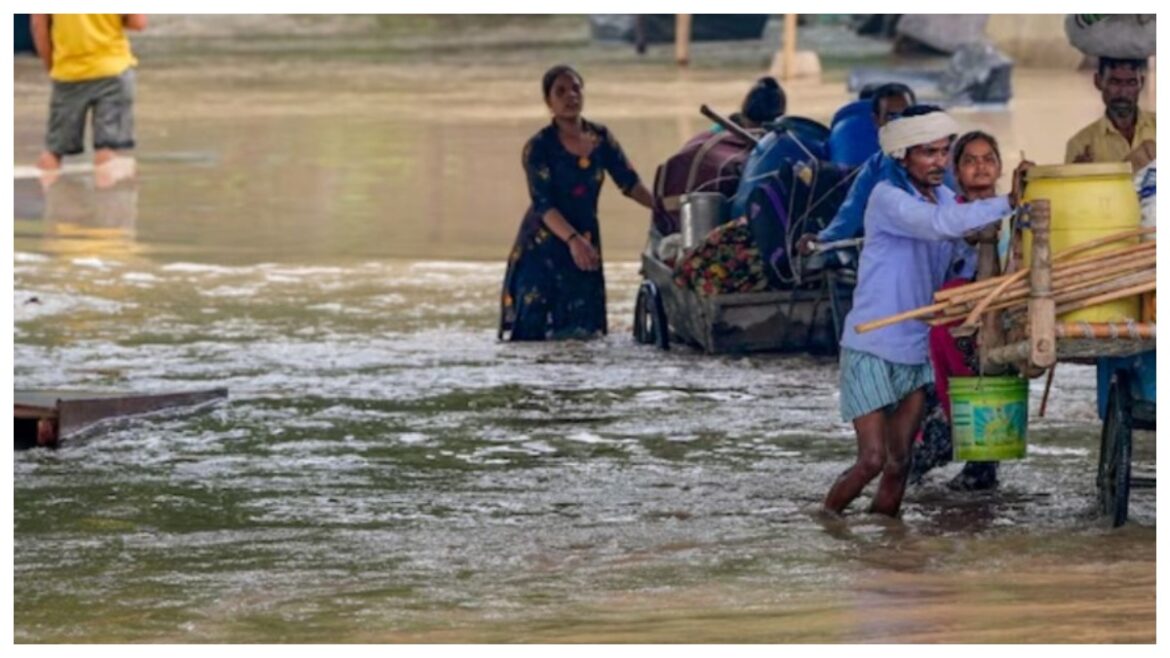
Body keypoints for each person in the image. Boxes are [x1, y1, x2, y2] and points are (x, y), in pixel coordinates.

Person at [823, 106, 1030, 517]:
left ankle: (887, 545)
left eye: (943, 151)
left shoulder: (947, 202)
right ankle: (827, 522)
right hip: (871, 345)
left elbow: (966, 259)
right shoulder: (888, 199)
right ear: (903, 155)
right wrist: (1007, 200)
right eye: (928, 153)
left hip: (915, 350)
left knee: (901, 464)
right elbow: (939, 224)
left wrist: (1007, 218)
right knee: (872, 460)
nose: (939, 162)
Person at [500, 65, 654, 341]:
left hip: (586, 240)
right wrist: (573, 240)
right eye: (561, 91)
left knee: (584, 332)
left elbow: (629, 184)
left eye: (576, 89)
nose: (571, 96)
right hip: (543, 245)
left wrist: (664, 209)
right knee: (534, 338)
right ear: (549, 102)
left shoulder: (601, 138)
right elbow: (543, 204)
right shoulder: (538, 147)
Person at [912, 131, 1007, 491]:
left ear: (999, 167)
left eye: (988, 159)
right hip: (951, 324)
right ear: (957, 170)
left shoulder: (1016, 213)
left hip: (998, 313)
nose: (980, 167)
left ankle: (980, 464)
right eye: (970, 160)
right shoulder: (946, 217)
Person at [796, 83, 956, 255]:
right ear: (877, 121)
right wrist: (822, 239)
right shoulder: (875, 166)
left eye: (906, 116)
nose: (900, 124)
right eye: (891, 117)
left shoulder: (940, 158)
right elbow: (851, 212)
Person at [31, 14, 146, 186]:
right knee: (107, 150)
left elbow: (38, 27)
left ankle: (51, 203)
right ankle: (107, 206)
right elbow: (138, 23)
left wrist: (52, 67)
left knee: (54, 151)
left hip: (68, 73)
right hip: (112, 69)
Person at [1066, 57, 1156, 168]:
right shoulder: (1080, 144)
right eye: (1115, 82)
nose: (1123, 92)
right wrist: (1076, 174)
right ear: (1098, 82)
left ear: (1141, 83)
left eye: (1131, 83)